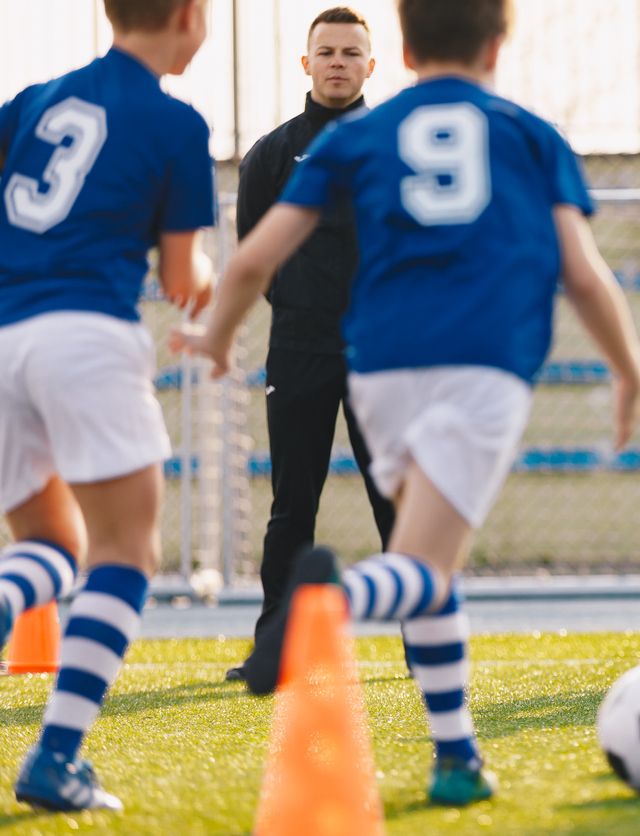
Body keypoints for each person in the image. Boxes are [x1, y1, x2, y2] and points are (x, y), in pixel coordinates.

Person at [173, 0, 640, 806]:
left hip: (380, 365)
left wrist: (217, 335)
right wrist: (629, 368)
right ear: (499, 42)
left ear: (395, 46)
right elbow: (580, 270)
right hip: (478, 363)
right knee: (425, 564)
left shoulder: (356, 138)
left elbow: (253, 255)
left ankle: (457, 755)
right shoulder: (527, 134)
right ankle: (328, 600)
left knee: (433, 558)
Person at [0, 0, 215, 811]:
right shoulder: (174, 122)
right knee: (123, 555)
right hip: (84, 333)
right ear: (190, 16)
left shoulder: (37, 98)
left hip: (4, 330)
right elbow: (179, 274)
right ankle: (55, 759)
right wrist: (209, 288)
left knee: (53, 543)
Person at [225, 5, 396, 684]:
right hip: (299, 348)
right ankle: (277, 642)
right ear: (306, 62)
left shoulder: (395, 146)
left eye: (351, 53)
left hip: (382, 354)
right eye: (326, 51)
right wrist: (301, 312)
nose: (337, 62)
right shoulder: (272, 153)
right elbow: (253, 254)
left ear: (370, 65)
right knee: (293, 501)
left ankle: (425, 643)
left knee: (397, 499)